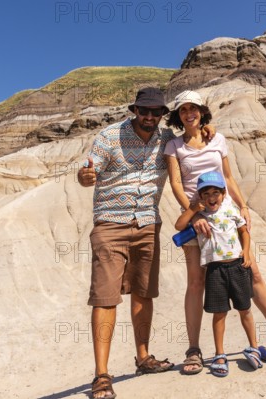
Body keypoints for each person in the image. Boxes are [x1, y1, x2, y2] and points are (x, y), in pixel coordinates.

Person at [77, 87, 215, 399]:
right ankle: (101, 375)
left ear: (162, 115)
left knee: (144, 293)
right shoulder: (110, 136)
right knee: (105, 298)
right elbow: (89, 170)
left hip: (147, 226)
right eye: (144, 111)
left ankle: (143, 357)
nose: (149, 117)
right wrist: (84, 176)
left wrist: (207, 127)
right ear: (135, 110)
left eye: (156, 112)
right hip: (110, 225)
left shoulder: (166, 139)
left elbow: (192, 139)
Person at [164, 90, 266, 375]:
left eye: (194, 108)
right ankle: (194, 350)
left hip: (226, 214)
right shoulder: (174, 146)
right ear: (178, 116)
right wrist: (193, 217)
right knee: (197, 281)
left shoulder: (217, 139)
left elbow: (228, 177)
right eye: (183, 110)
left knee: (251, 270)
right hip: (198, 219)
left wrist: (242, 206)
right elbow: (177, 184)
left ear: (202, 112)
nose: (189, 113)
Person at [175, 171, 263, 377]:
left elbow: (244, 231)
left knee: (245, 309)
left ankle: (254, 347)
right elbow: (179, 225)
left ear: (223, 194)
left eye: (216, 192)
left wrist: (247, 253)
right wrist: (193, 209)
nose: (211, 197)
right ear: (200, 197)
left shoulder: (231, 208)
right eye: (206, 194)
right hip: (214, 270)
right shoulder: (200, 215)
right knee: (219, 313)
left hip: (237, 266)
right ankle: (219, 354)